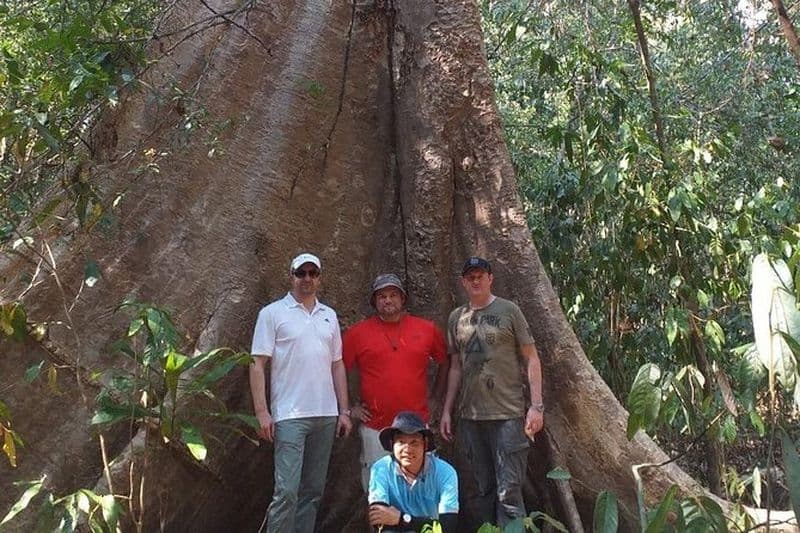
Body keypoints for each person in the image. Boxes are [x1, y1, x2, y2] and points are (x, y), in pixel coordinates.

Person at [249, 252, 353, 533]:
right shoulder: (272, 314)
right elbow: (257, 363)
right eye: (301, 273)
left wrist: (344, 410)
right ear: (291, 276)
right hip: (289, 415)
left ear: (319, 278)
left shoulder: (328, 315)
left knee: (313, 492)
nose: (307, 279)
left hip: (325, 415)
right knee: (286, 492)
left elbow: (337, 365)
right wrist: (262, 412)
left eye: (312, 273)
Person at [439, 256, 544, 528]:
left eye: (480, 276)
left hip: (508, 416)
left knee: (509, 491)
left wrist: (536, 407)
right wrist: (447, 411)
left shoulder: (509, 311)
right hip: (471, 419)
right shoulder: (456, 318)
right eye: (470, 277)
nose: (475, 281)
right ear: (463, 281)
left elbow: (531, 358)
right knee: (483, 491)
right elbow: (455, 368)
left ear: (490, 279)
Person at [343, 273, 448, 490]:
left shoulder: (427, 329)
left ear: (402, 299)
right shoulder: (357, 334)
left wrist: (436, 397)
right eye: (382, 296)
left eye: (393, 295)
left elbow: (445, 361)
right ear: (374, 302)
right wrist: (349, 407)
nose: (388, 300)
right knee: (376, 491)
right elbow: (337, 368)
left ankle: (417, 525)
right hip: (375, 428)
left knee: (420, 488)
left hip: (417, 427)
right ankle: (380, 526)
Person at [368, 411, 459, 532]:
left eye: (414, 443)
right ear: (392, 445)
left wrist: (403, 519)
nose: (407, 449)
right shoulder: (380, 469)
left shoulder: (446, 473)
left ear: (425, 445)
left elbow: (449, 527)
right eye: (401, 442)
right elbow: (378, 519)